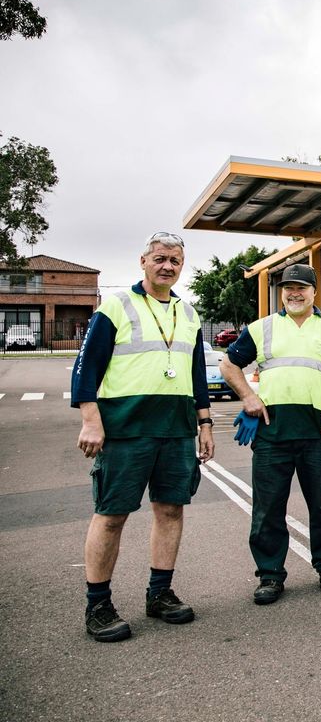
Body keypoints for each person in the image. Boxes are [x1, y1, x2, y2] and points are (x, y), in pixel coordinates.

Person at [72, 232, 214, 642]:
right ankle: (98, 605)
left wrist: (205, 424)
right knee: (112, 515)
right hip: (126, 430)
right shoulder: (117, 306)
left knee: (170, 511)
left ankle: (160, 593)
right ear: (143, 261)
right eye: (160, 259)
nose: (167, 266)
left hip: (176, 430)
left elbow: (195, 376)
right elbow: (86, 368)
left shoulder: (189, 313)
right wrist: (91, 420)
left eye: (175, 261)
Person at [219, 263, 321, 605]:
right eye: (288, 288)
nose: (294, 293)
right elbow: (228, 364)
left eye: (301, 288)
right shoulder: (262, 328)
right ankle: (269, 574)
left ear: (314, 292)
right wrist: (248, 397)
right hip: (271, 433)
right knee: (267, 508)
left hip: (319, 432)